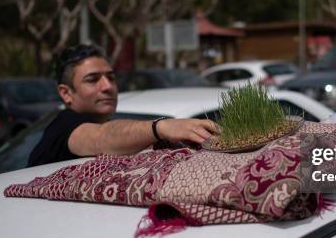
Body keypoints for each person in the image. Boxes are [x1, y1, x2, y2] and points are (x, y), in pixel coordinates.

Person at [29, 44, 219, 166]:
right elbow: (100, 137)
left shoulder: (113, 130)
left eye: (111, 77)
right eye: (92, 79)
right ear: (66, 93)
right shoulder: (64, 126)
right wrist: (161, 126)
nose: (107, 86)